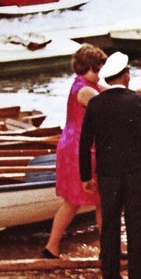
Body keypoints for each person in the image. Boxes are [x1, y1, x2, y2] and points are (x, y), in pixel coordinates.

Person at [79, 52, 141, 279]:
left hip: (107, 175)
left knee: (109, 224)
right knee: (135, 223)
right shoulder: (136, 101)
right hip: (134, 172)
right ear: (126, 76)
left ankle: (110, 276)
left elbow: (84, 141)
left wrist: (86, 176)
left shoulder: (96, 103)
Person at [43, 44, 107, 259]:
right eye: (98, 70)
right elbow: (111, 107)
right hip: (80, 149)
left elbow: (114, 93)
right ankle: (106, 249)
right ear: (88, 67)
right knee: (96, 200)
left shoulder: (85, 84)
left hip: (72, 146)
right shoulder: (86, 90)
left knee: (77, 203)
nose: (101, 74)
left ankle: (52, 247)